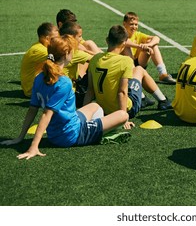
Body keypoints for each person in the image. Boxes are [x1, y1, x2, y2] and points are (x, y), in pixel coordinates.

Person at [1, 35, 131, 160]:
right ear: (66, 54)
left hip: (56, 132)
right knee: (123, 115)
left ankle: (96, 129)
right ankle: (98, 134)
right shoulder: (64, 82)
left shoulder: (39, 77)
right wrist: (33, 147)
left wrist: (20, 137)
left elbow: (32, 109)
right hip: (70, 135)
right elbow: (46, 114)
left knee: (95, 106)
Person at [84, 25, 172, 126]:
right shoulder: (126, 61)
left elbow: (90, 90)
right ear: (124, 43)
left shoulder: (95, 59)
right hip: (125, 110)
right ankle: (163, 101)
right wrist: (123, 118)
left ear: (107, 40)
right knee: (139, 70)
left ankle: (146, 98)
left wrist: (85, 113)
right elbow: (122, 92)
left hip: (103, 110)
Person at [122, 12, 176, 84]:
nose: (134, 27)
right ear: (124, 24)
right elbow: (124, 41)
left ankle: (163, 74)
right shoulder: (120, 33)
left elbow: (156, 38)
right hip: (125, 65)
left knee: (153, 45)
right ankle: (132, 74)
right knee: (126, 47)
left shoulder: (137, 34)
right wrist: (139, 46)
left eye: (136, 24)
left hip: (138, 63)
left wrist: (149, 45)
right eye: (131, 24)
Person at [59, 22, 93, 108]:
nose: (81, 39)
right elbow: (98, 59)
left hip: (55, 90)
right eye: (79, 36)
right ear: (71, 38)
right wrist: (85, 50)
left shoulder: (57, 47)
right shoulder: (74, 53)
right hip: (70, 95)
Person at [20, 22, 59, 97]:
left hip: (33, 86)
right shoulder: (42, 51)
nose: (58, 40)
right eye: (56, 38)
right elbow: (64, 59)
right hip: (32, 90)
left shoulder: (38, 45)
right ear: (47, 38)